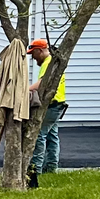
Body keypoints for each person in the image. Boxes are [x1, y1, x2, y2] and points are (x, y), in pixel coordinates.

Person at [28, 38, 68, 185]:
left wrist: (24, 91)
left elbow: (41, 84)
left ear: (40, 51)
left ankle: (35, 170)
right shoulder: (55, 62)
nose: (33, 58)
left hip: (51, 105)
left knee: (39, 135)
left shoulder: (48, 62)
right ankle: (51, 167)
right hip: (59, 104)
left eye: (33, 54)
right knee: (52, 136)